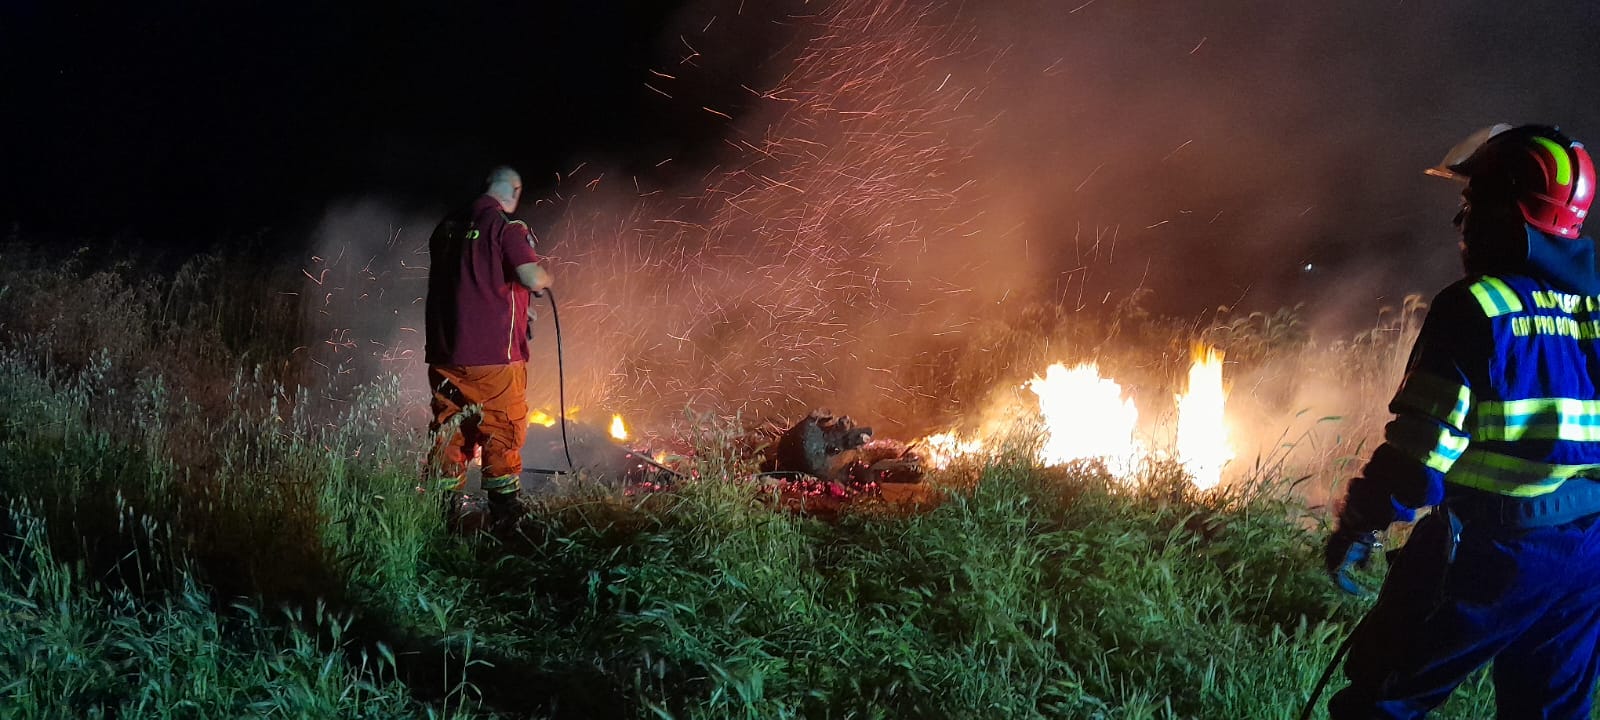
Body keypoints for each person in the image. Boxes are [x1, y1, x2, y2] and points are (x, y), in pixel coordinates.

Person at [1323, 124, 1599, 718]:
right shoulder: (1596, 313)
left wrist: (1361, 525)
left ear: (1508, 215)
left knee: (1383, 697)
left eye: (1471, 205)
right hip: (1587, 559)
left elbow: (1419, 457)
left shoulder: (1476, 309)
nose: (1460, 223)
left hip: (1488, 546)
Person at [424, 166, 552, 528]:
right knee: (502, 429)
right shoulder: (506, 227)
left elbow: (472, 284)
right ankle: (506, 516)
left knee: (450, 429)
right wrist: (544, 279)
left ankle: (442, 512)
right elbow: (530, 276)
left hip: (445, 354)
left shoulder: (446, 228)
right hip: (494, 357)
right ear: (513, 191)